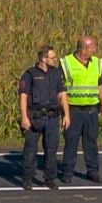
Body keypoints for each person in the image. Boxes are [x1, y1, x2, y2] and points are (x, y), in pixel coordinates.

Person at [16, 44, 67, 191]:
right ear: (44, 59)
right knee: (30, 149)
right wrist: (24, 117)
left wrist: (66, 115)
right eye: (52, 57)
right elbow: (23, 96)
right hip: (35, 117)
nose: (55, 59)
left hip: (52, 117)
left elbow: (62, 94)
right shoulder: (30, 74)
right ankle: (27, 178)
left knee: (51, 149)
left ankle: (49, 178)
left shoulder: (56, 73)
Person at [59, 35, 102, 183]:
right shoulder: (66, 63)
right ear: (84, 48)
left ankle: (93, 171)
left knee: (91, 142)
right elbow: (61, 89)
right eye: (93, 47)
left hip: (92, 109)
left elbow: (100, 84)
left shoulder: (96, 63)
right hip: (73, 110)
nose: (95, 50)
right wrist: (64, 112)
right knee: (71, 142)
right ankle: (67, 172)